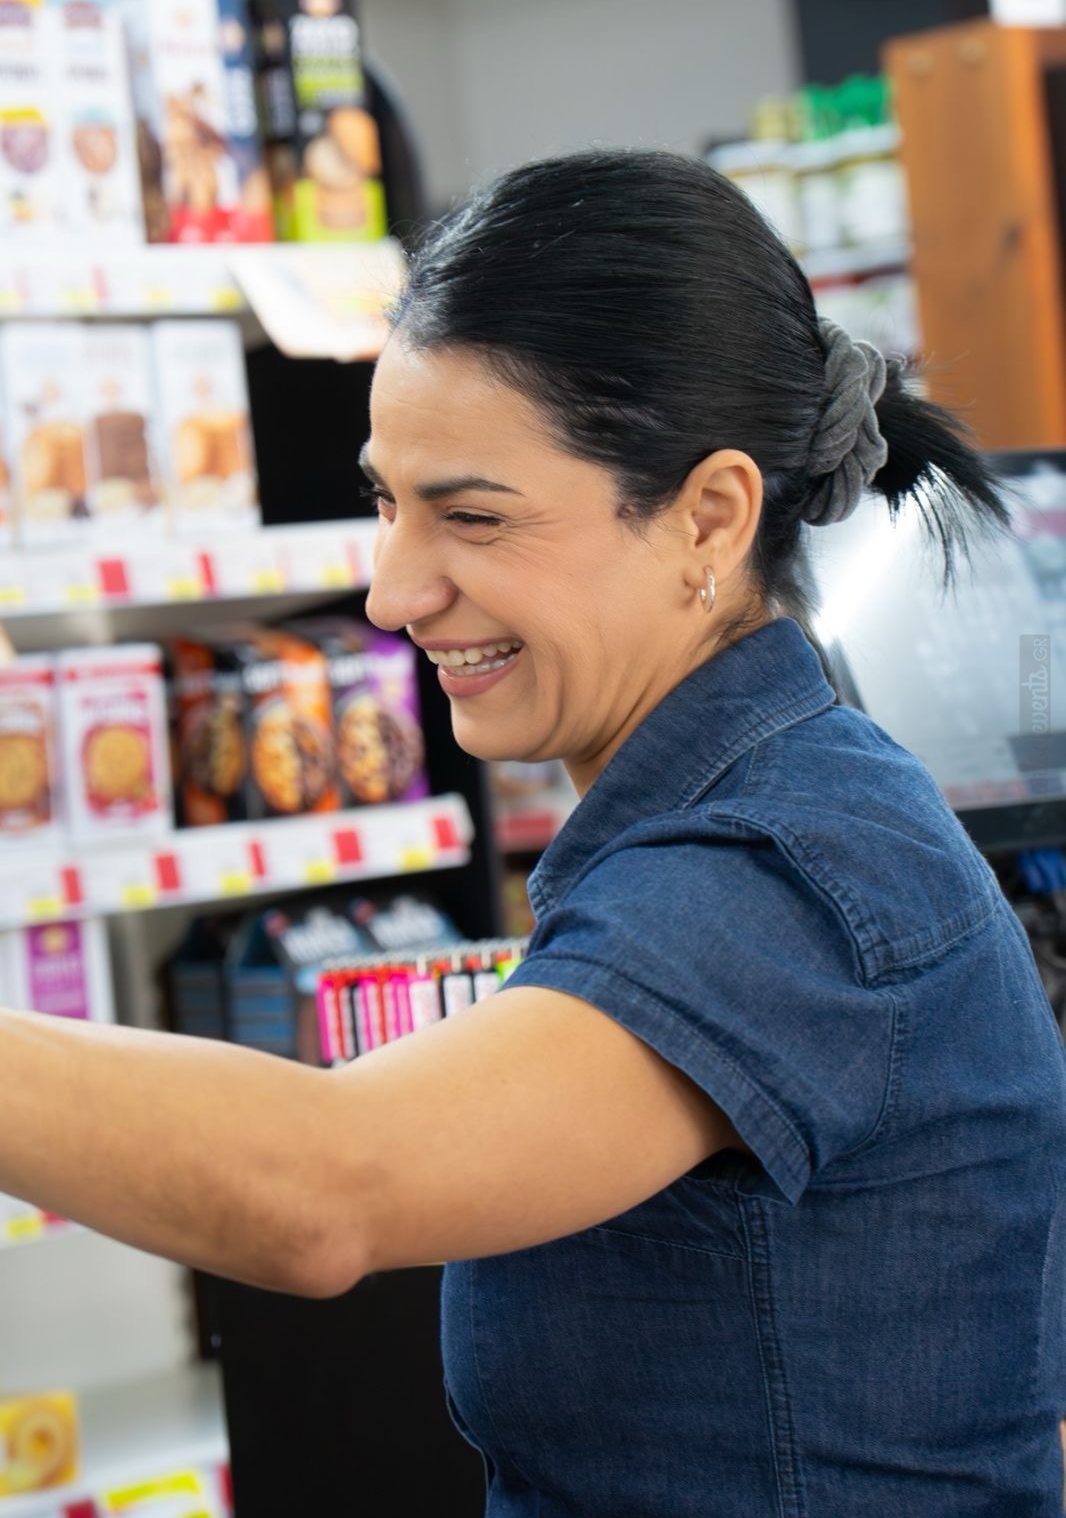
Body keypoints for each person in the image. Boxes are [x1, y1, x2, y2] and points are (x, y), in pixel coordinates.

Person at [2, 149, 1064, 1516]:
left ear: (709, 517)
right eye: (387, 501)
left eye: (472, 517)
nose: (391, 592)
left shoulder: (780, 878)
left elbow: (318, 1188)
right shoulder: (744, 808)